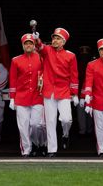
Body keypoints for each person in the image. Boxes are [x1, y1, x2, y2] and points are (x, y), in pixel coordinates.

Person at [35, 27, 78, 156]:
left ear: (63, 42)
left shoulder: (71, 55)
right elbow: (40, 47)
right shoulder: (48, 50)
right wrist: (37, 39)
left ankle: (65, 134)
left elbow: (74, 75)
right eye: (54, 37)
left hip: (64, 91)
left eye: (58, 38)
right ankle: (52, 149)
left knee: (66, 119)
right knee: (51, 121)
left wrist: (75, 94)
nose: (55, 40)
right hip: (49, 91)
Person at [9, 34, 47, 157]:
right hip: (21, 97)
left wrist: (39, 41)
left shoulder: (41, 57)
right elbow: (13, 80)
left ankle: (37, 143)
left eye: (31, 43)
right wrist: (12, 98)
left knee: (36, 124)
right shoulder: (16, 60)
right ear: (23, 46)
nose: (29, 45)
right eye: (26, 43)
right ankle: (26, 149)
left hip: (37, 96)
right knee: (23, 126)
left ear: (34, 44)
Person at [76, 46, 94, 136]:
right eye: (83, 56)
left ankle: (88, 129)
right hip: (79, 93)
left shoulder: (92, 65)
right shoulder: (77, 65)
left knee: (89, 111)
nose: (84, 58)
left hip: (90, 92)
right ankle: (83, 130)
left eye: (86, 56)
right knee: (81, 112)